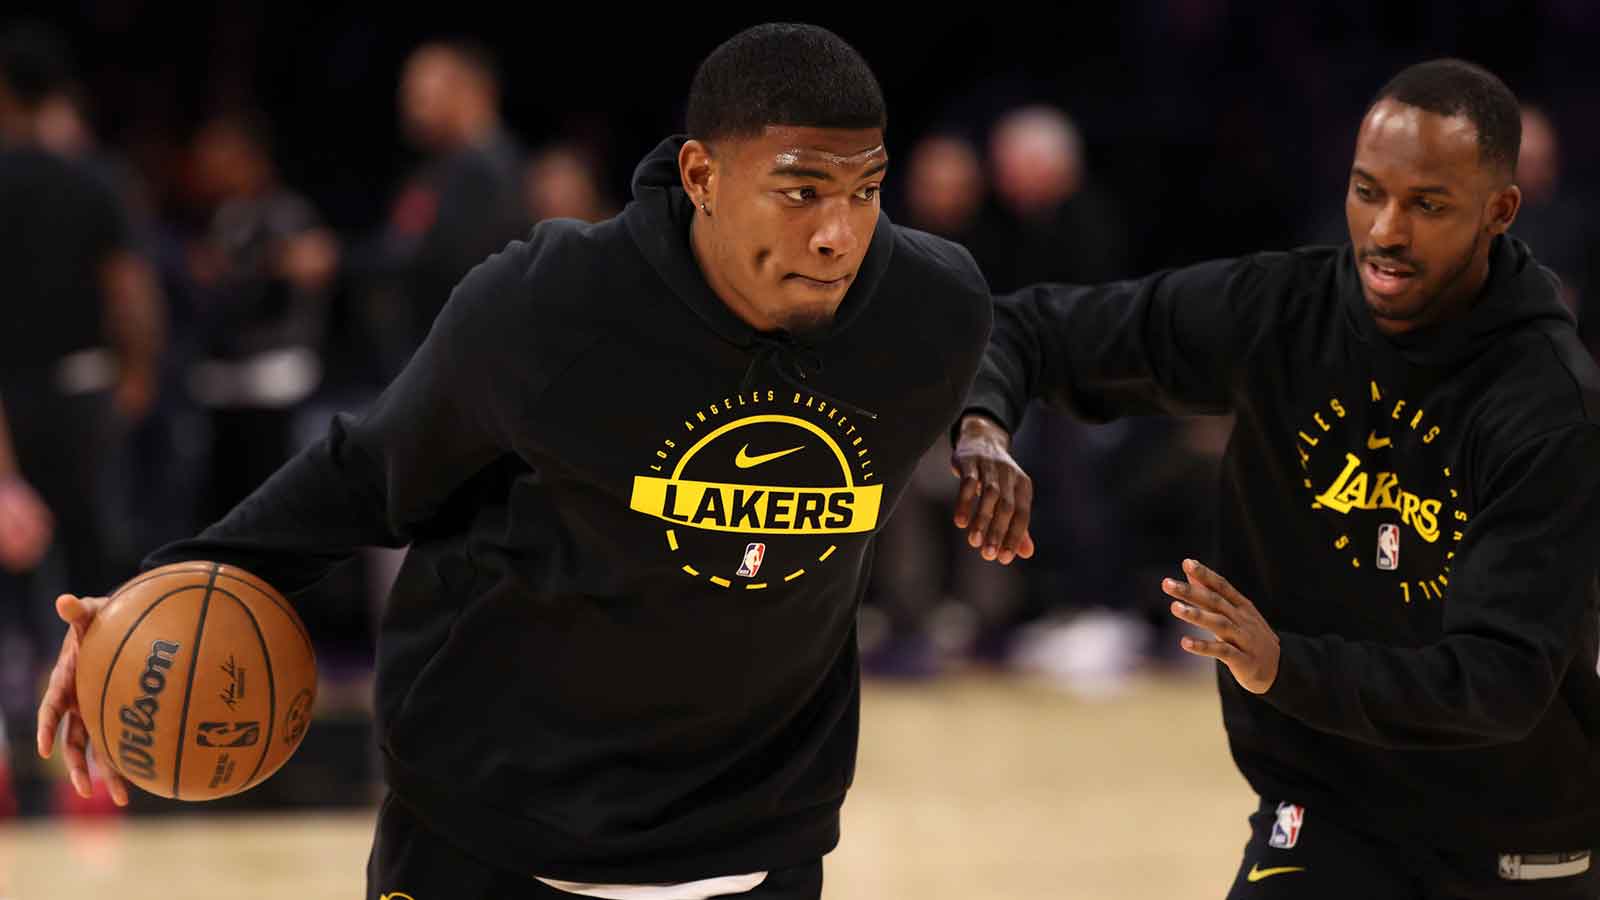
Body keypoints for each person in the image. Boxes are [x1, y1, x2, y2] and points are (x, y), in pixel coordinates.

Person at [38, 23, 992, 900]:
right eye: (800, 190)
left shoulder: (929, 312)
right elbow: (367, 474)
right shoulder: (554, 305)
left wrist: (988, 430)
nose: (837, 233)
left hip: (760, 844)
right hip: (486, 836)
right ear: (701, 176)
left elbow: (1035, 341)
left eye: (865, 190)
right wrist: (152, 593)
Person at [951, 59, 1600, 898]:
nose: (1386, 231)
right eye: (1368, 192)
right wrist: (984, 424)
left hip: (1513, 835)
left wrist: (1284, 667)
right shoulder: (1284, 313)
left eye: (1428, 204)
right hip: (1327, 808)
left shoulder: (1547, 404)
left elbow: (1500, 685)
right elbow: (1032, 327)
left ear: (1501, 212)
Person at [1, 21, 164, 816]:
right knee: (98, 591)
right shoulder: (95, 178)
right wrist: (132, 381)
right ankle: (103, 766)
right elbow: (132, 290)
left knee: (12, 593)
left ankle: (7, 764)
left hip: (10, 400)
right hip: (86, 394)